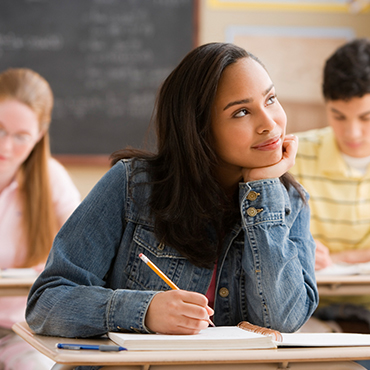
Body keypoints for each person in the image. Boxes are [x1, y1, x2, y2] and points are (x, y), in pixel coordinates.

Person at [26, 43, 318, 347]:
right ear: (199, 128)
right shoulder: (132, 186)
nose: (270, 124)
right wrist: (145, 311)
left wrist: (262, 192)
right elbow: (47, 301)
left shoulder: (288, 200)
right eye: (241, 112)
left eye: (270, 99)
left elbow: (284, 321)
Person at [0, 68, 80, 369]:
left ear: (39, 136)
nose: (6, 147)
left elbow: (85, 251)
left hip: (23, 331)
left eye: (21, 136)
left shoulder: (51, 178)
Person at [290, 38, 370, 333]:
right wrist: (297, 248)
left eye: (367, 117)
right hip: (311, 311)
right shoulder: (295, 155)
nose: (353, 132)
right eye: (338, 116)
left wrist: (338, 258)